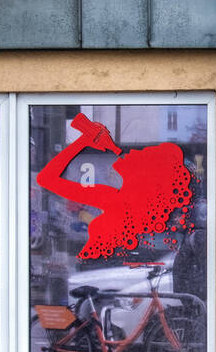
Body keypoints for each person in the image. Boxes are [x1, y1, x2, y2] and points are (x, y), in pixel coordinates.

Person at [36, 112, 194, 261]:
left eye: (142, 154)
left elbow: (46, 179)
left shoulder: (113, 199)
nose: (131, 152)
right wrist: (84, 140)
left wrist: (83, 142)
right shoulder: (114, 198)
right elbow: (45, 179)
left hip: (102, 273)